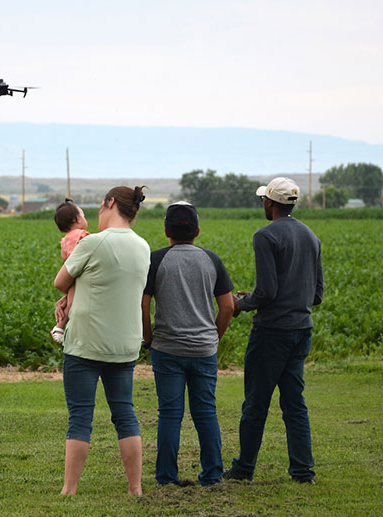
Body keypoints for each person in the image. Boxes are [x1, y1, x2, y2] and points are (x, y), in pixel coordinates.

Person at [223, 177, 323, 484]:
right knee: (294, 404)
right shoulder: (310, 236)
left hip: (271, 333)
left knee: (255, 403)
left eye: (263, 200)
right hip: (301, 330)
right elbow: (317, 294)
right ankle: (303, 472)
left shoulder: (265, 236)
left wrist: (241, 304)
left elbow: (266, 292)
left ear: (270, 203)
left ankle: (243, 469)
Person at [54, 186, 150, 496]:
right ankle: (135, 488)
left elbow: (60, 281)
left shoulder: (93, 243)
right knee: (125, 414)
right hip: (124, 345)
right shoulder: (143, 247)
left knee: (80, 416)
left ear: (110, 203)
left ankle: (69, 489)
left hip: (85, 343)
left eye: (100, 204)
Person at [141, 202, 234, 487]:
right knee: (205, 411)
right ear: (197, 231)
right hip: (204, 349)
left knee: (169, 413)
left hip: (167, 348)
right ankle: (212, 474)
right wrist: (213, 337)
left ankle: (167, 477)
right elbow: (228, 306)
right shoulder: (212, 259)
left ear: (166, 231)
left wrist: (149, 338)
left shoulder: (155, 260)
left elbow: (142, 305)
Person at [50, 198, 90, 344]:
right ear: (76, 220)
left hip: (71, 274)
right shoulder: (80, 235)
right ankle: (60, 327)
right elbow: (79, 256)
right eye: (83, 215)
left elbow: (65, 257)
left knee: (70, 300)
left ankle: (62, 327)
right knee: (72, 302)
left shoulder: (66, 238)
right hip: (76, 273)